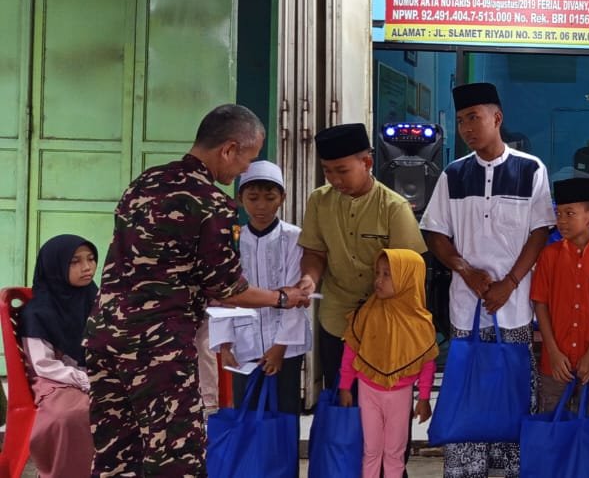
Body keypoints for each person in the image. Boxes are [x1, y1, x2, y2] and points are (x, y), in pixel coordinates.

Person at [82, 104, 311, 476]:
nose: (244, 170)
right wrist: (284, 297)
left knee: (117, 454)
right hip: (157, 346)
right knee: (176, 458)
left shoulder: (146, 181)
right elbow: (228, 288)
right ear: (229, 149)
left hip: (104, 334)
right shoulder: (212, 203)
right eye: (247, 159)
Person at [422, 82, 555, 478]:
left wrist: (509, 282)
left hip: (514, 307)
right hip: (467, 307)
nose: (467, 128)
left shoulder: (530, 169)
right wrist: (466, 271)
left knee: (513, 387)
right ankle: (467, 468)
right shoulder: (453, 174)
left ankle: (513, 466)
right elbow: (434, 232)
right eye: (462, 120)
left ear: (496, 118)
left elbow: (540, 231)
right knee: (468, 387)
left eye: (474, 118)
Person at [299, 123, 428, 392]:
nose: (334, 180)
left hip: (384, 324)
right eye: (327, 171)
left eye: (342, 171)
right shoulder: (319, 201)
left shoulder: (394, 207)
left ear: (366, 162)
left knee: (382, 401)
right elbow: (315, 252)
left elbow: (409, 273)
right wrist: (309, 279)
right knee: (340, 397)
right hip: (336, 318)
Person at [209, 160, 310, 414]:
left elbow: (296, 295)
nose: (261, 206)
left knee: (284, 411)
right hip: (243, 345)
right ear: (241, 199)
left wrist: (280, 347)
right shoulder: (231, 240)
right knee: (247, 411)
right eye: (253, 198)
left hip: (285, 348)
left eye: (270, 198)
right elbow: (223, 296)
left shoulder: (294, 238)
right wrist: (224, 344)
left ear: (282, 198)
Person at [338, 249, 439, 478]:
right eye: (377, 273)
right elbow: (351, 350)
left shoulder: (421, 324)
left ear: (407, 279)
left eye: (387, 275)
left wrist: (424, 398)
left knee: (394, 452)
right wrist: (345, 386)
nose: (378, 280)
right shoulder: (366, 313)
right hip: (368, 390)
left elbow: (427, 363)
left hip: (401, 393)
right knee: (371, 450)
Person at [532, 177, 589, 414]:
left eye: (569, 214)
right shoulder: (549, 256)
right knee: (552, 423)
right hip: (556, 362)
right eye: (558, 214)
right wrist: (553, 353)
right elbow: (540, 304)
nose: (561, 221)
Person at [22, 235, 97, 478]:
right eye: (75, 261)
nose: (87, 267)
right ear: (55, 266)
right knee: (72, 415)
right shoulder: (38, 311)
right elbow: (43, 364)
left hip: (94, 373)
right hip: (55, 378)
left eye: (91, 259)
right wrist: (84, 379)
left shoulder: (94, 298)